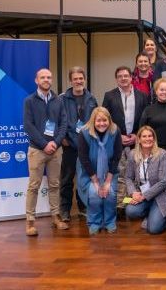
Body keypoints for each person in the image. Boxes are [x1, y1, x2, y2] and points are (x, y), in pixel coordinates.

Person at [23, 68, 69, 236]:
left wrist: (55, 143)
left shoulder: (58, 100)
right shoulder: (29, 101)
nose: (46, 80)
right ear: (36, 80)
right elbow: (28, 126)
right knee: (33, 186)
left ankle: (56, 217)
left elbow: (64, 123)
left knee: (55, 184)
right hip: (37, 150)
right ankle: (30, 221)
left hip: (55, 150)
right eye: (43, 77)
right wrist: (44, 144)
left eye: (49, 77)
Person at [102, 66, 150, 209]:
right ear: (116, 79)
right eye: (120, 76)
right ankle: (120, 205)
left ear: (131, 78)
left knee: (137, 173)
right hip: (117, 142)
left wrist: (138, 135)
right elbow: (105, 119)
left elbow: (145, 118)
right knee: (120, 174)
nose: (123, 78)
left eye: (126, 76)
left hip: (136, 141)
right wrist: (117, 135)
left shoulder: (142, 96)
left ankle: (136, 203)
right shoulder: (109, 96)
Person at [59, 66, 97, 222]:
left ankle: (82, 207)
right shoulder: (62, 99)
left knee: (85, 178)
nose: (78, 81)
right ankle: (65, 210)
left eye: (81, 78)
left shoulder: (91, 98)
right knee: (67, 179)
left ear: (84, 79)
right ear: (70, 80)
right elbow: (55, 120)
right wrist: (61, 138)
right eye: (75, 79)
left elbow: (96, 120)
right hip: (69, 145)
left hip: (87, 146)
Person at [77, 107, 123, 235]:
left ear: (109, 120)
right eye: (98, 121)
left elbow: (116, 157)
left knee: (110, 194)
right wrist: (96, 183)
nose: (102, 123)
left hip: (110, 171)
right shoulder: (84, 133)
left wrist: (108, 182)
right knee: (94, 194)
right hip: (88, 172)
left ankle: (109, 221)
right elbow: (84, 159)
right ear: (93, 121)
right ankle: (94, 222)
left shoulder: (115, 131)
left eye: (104, 120)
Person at [124, 126, 166, 234]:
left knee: (153, 229)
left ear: (154, 139)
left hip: (161, 194)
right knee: (130, 211)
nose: (147, 139)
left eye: (150, 136)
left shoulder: (162, 154)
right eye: (144, 136)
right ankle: (152, 214)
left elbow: (164, 181)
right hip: (142, 194)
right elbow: (128, 177)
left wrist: (144, 196)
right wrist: (133, 193)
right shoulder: (132, 154)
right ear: (139, 139)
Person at [139, 78, 166, 175]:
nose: (164, 92)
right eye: (161, 90)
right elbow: (141, 130)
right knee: (153, 181)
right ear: (156, 91)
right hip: (152, 151)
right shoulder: (148, 110)